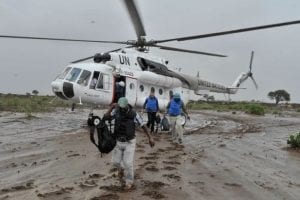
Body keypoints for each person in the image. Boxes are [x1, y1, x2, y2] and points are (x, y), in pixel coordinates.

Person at [103, 97, 155, 190]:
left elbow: (143, 125)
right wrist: (111, 108)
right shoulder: (116, 111)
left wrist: (150, 137)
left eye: (123, 107)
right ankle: (121, 169)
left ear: (127, 105)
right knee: (115, 162)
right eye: (120, 107)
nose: (121, 109)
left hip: (130, 142)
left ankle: (129, 182)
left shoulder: (134, 114)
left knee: (128, 163)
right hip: (118, 141)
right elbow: (106, 118)